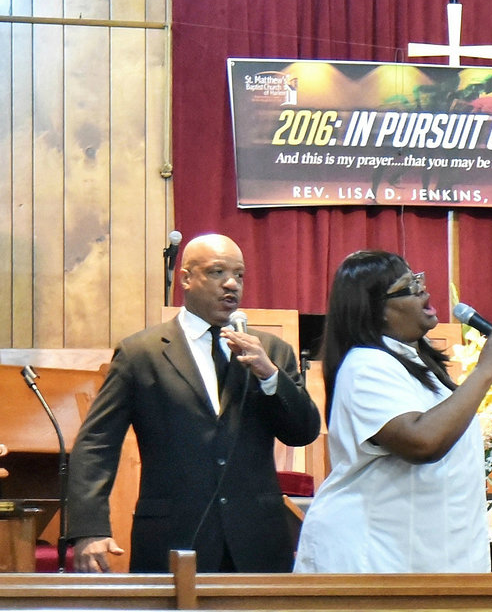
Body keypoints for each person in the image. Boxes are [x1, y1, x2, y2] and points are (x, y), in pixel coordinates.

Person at [65, 233, 322, 573]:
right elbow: (97, 442)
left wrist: (270, 375)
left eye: (239, 275)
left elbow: (302, 431)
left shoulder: (272, 352)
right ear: (186, 278)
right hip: (172, 536)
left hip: (257, 539)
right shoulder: (141, 353)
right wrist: (89, 529)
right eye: (217, 272)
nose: (231, 284)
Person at [294, 250, 492, 573]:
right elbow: (422, 442)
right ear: (378, 311)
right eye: (409, 287)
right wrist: (487, 369)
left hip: (418, 555)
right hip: (372, 557)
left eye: (419, 280)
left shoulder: (421, 369)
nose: (424, 292)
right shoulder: (365, 366)